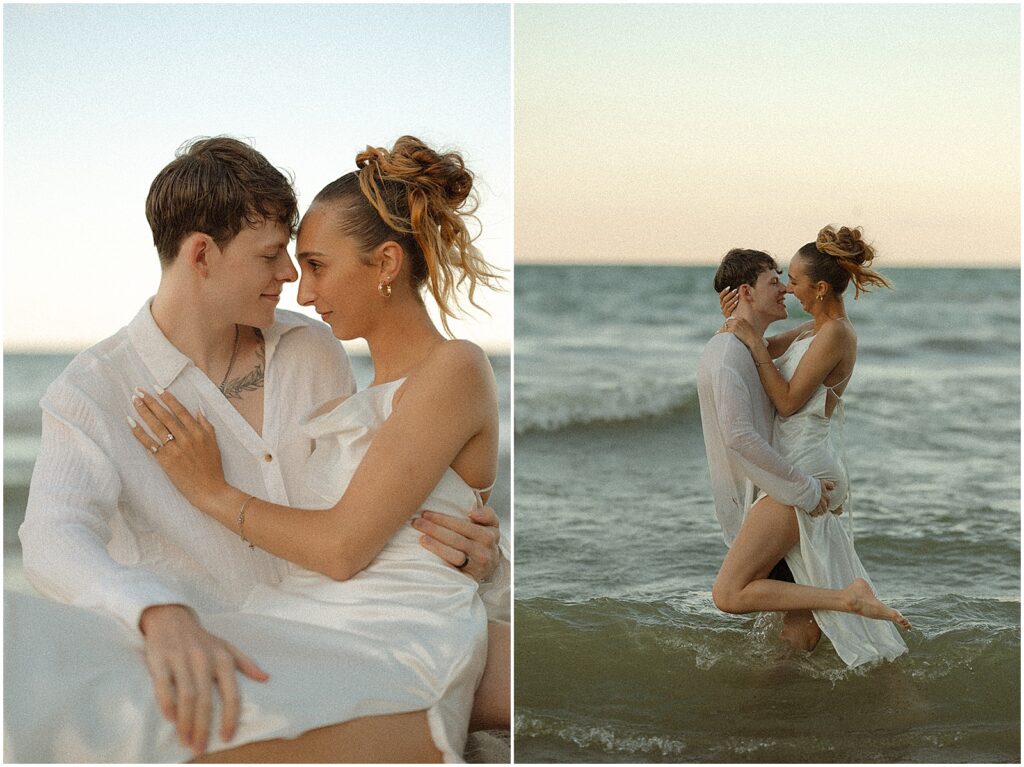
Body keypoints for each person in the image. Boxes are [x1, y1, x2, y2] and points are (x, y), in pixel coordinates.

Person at [9, 136, 509, 762]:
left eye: (308, 261)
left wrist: (477, 553)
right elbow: (54, 538)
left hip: (347, 640)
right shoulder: (96, 389)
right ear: (201, 255)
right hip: (199, 639)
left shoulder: (313, 351)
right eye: (275, 255)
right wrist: (153, 611)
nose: (294, 279)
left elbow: (369, 508)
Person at [696, 233, 909, 668]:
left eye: (792, 280)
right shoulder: (813, 329)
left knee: (730, 591)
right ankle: (784, 697)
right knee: (800, 617)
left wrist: (753, 343)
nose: (788, 289)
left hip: (806, 465)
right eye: (780, 281)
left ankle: (847, 600)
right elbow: (766, 350)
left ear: (821, 289)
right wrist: (740, 323)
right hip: (792, 466)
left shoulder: (836, 333)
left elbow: (789, 400)